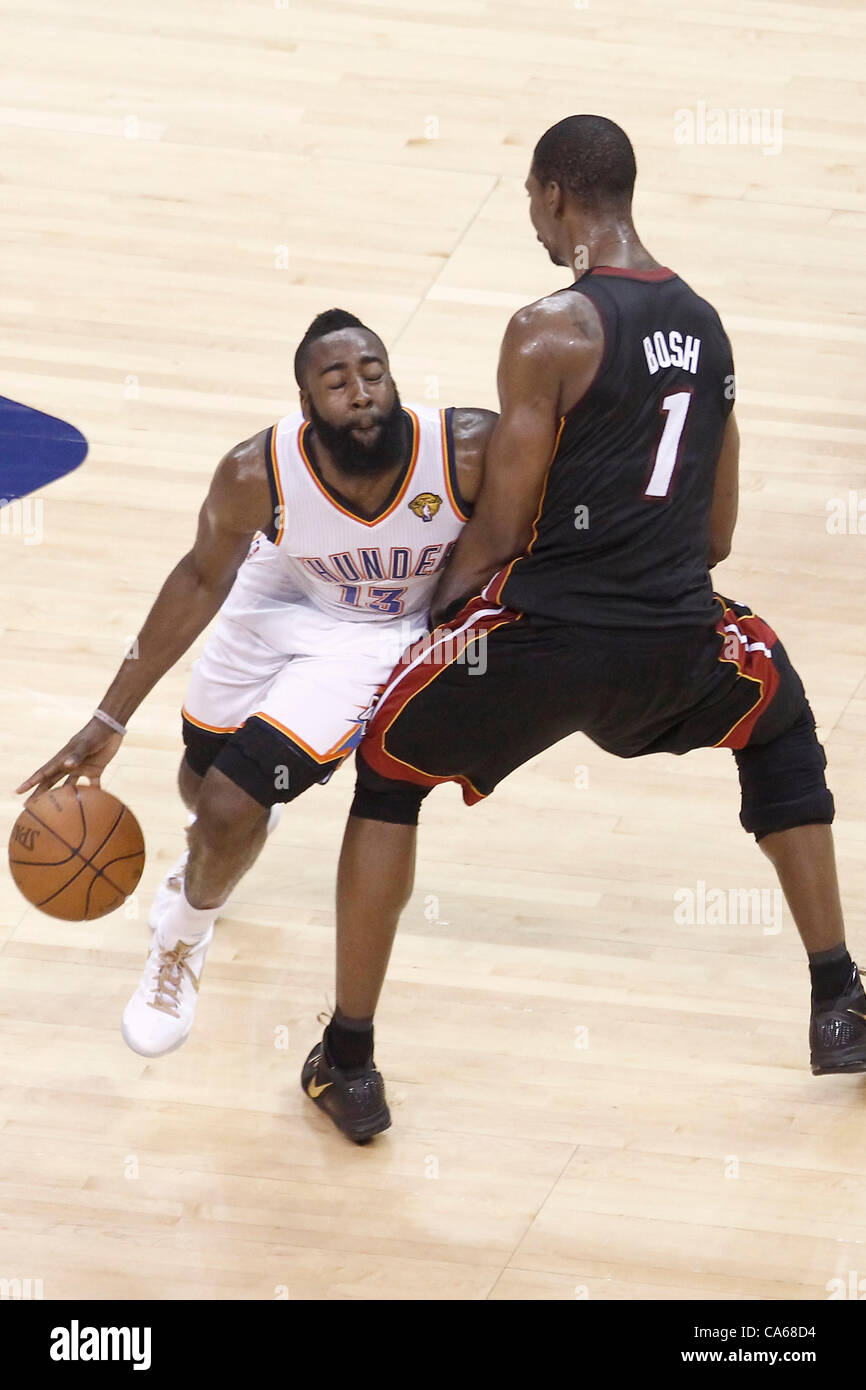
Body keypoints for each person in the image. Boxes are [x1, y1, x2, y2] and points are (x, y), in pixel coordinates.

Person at [300, 116, 862, 1145]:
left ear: (556, 196)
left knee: (387, 771)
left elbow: (502, 529)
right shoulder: (709, 326)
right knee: (777, 716)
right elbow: (719, 531)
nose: (527, 212)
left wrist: (425, 627)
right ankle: (837, 999)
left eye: (527, 196)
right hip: (674, 646)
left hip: (540, 642)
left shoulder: (547, 328)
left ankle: (348, 1059)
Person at [16, 309, 496, 1062]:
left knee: (228, 802)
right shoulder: (255, 472)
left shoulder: (467, 448)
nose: (362, 393)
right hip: (279, 593)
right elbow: (202, 576)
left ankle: (180, 944)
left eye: (373, 373)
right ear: (306, 406)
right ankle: (227, 839)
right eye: (336, 383)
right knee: (199, 773)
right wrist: (109, 717)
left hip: (373, 636)